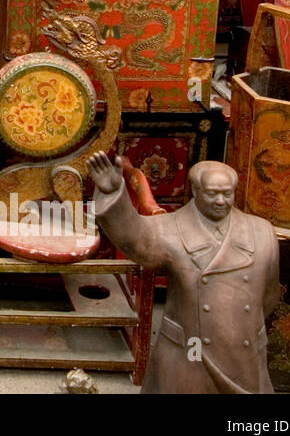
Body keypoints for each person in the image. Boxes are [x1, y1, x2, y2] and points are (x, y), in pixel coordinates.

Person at [87, 150, 279, 393]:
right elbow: (136, 239)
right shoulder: (172, 228)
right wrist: (112, 191)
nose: (221, 201)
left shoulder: (261, 232)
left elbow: (269, 296)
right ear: (195, 191)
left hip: (243, 353)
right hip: (190, 350)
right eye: (212, 194)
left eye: (227, 194)